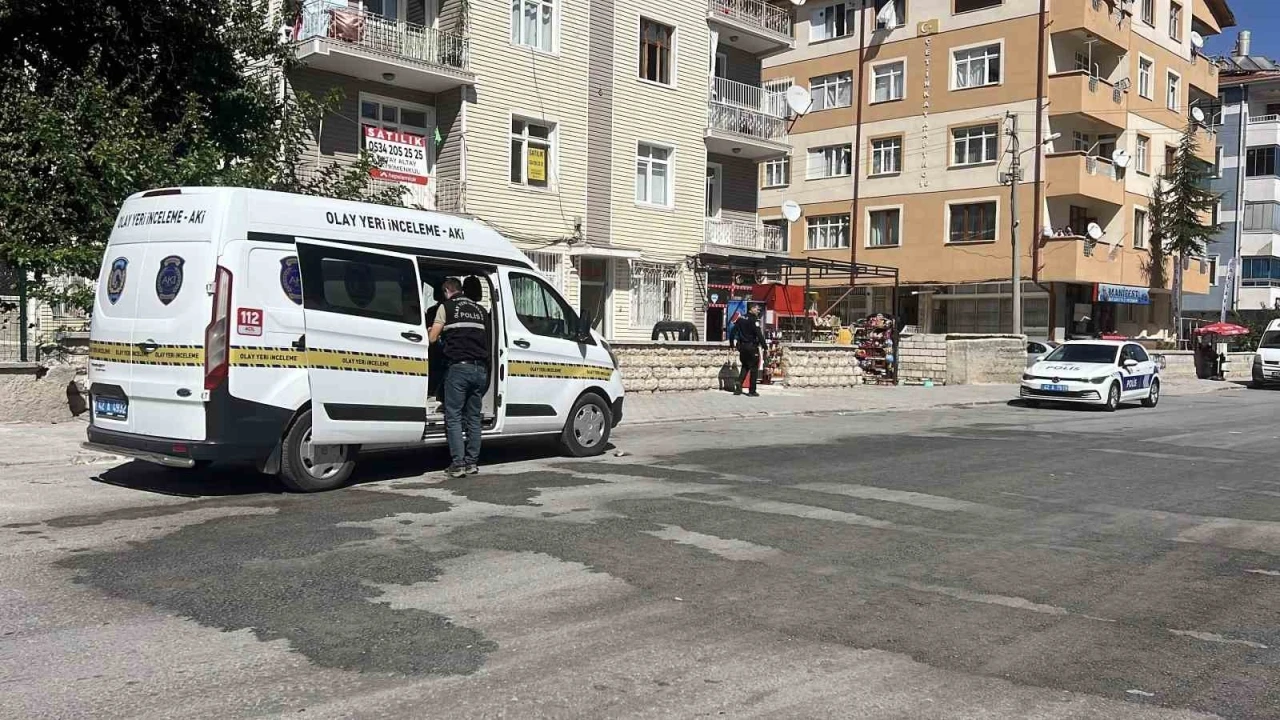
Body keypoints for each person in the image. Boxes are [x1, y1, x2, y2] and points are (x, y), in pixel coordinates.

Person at [429, 277, 490, 478]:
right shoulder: (480, 310)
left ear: (447, 291)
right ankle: (472, 463)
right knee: (473, 417)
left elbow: (432, 338)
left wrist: (431, 331)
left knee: (454, 416)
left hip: (459, 369)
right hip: (480, 369)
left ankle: (458, 464)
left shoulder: (446, 307)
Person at [730, 304, 766, 397]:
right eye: (757, 309)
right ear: (752, 309)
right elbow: (759, 335)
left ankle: (739, 385)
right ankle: (752, 391)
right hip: (752, 347)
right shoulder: (754, 320)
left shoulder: (740, 319)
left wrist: (731, 345)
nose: (758, 311)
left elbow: (732, 332)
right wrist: (765, 347)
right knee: (754, 369)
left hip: (742, 348)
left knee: (745, 366)